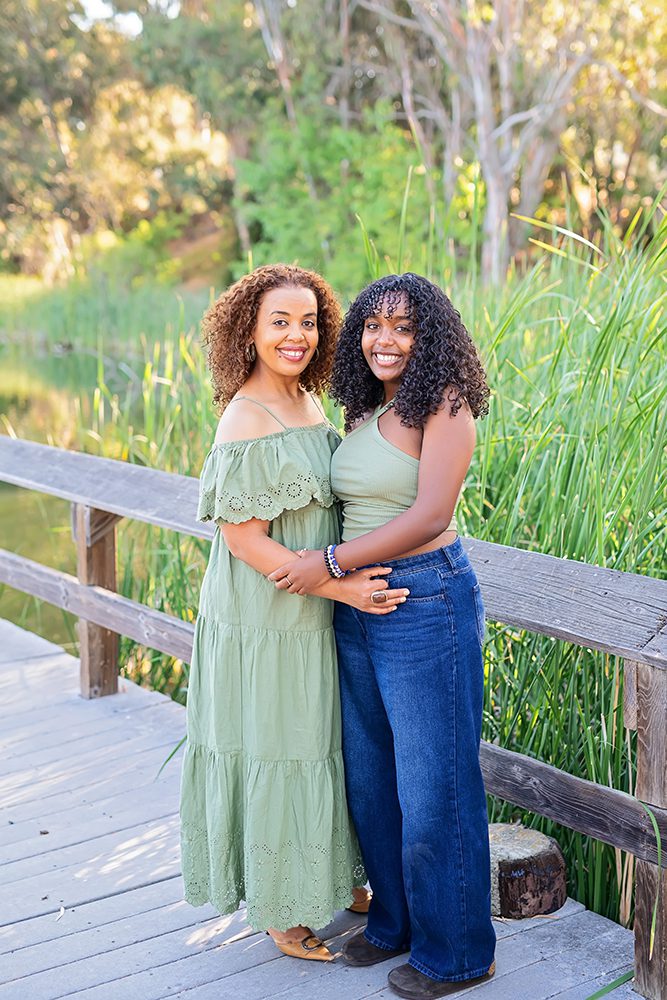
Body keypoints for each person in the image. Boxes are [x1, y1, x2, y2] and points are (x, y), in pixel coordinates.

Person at [269, 273, 496, 997]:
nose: (385, 340)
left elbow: (430, 514)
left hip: (424, 598)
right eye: (373, 325)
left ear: (430, 336)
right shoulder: (368, 410)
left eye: (403, 327)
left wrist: (329, 562)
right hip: (359, 604)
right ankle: (393, 923)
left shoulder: (445, 406)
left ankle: (456, 953)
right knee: (371, 780)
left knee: (435, 787)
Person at [179, 264, 410, 963]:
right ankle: (281, 910)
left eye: (307, 320)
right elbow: (243, 539)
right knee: (279, 749)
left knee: (318, 745)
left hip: (311, 607)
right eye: (279, 320)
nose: (296, 335)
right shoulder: (245, 414)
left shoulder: (310, 402)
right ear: (248, 329)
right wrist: (340, 588)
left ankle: (329, 879)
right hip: (264, 614)